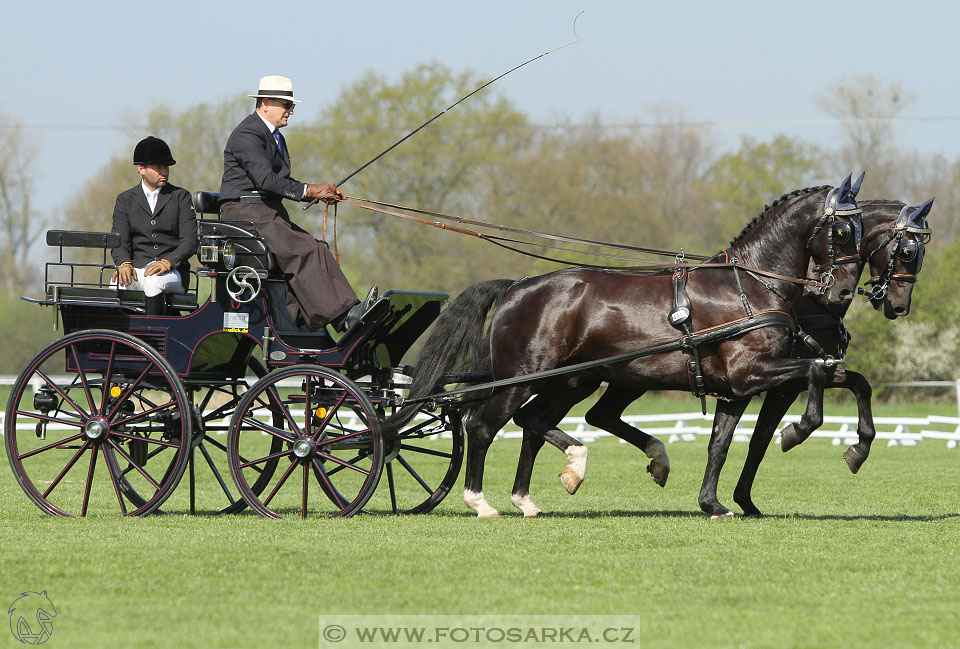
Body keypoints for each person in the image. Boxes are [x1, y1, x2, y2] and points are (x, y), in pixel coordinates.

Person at [219, 74, 376, 332]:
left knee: (317, 247)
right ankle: (346, 318)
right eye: (286, 105)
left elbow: (280, 181)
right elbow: (266, 179)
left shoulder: (274, 137)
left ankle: (308, 325)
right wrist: (310, 190)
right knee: (303, 249)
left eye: (292, 106)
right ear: (265, 103)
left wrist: (315, 192)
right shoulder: (248, 134)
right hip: (244, 212)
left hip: (266, 212)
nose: (291, 111)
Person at [112, 136, 197, 315]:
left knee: (154, 282)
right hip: (137, 269)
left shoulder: (181, 197)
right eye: (158, 167)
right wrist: (123, 263)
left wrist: (169, 262)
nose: (164, 172)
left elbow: (189, 242)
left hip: (173, 273)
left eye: (166, 167)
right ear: (141, 169)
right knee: (116, 283)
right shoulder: (125, 199)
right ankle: (116, 336)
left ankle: (153, 334)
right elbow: (119, 240)